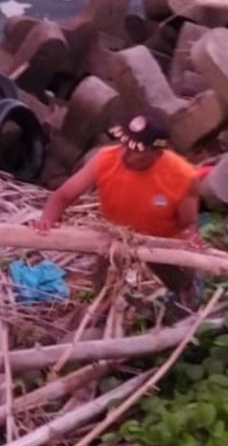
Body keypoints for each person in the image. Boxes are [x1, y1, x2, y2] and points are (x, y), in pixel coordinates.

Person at [31, 111, 202, 307]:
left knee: (180, 284)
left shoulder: (182, 177)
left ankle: (187, 294)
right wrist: (47, 219)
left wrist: (191, 239)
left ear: (156, 153)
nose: (127, 153)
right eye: (125, 144)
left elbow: (188, 224)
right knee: (102, 283)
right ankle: (102, 307)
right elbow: (63, 196)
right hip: (116, 235)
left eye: (137, 149)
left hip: (159, 242)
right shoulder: (105, 159)